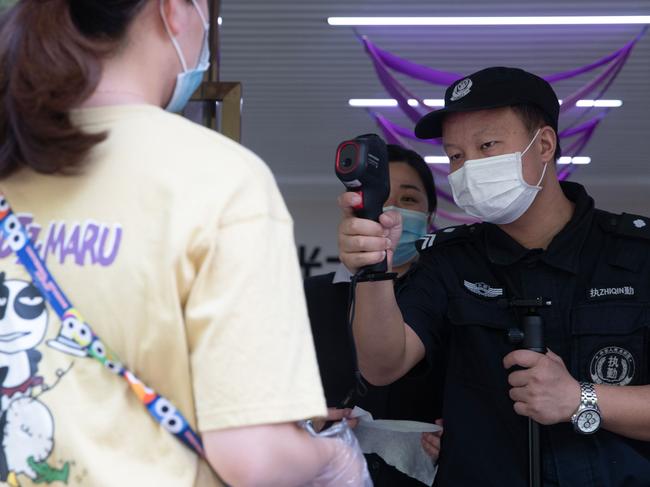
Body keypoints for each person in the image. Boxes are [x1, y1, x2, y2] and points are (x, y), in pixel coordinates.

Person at [0, 1, 369, 486]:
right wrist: (335, 461)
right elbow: (254, 459)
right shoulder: (218, 179)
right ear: (173, 9)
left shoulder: (14, 157)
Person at [337, 66, 650, 486]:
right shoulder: (449, 260)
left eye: (487, 146)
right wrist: (372, 270)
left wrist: (580, 398)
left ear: (543, 145)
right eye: (455, 156)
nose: (468, 168)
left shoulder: (636, 254)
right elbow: (382, 365)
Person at [305, 144, 443, 486]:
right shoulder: (314, 296)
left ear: (430, 216)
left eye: (409, 199)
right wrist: (307, 424)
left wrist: (463, 440)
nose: (392, 212)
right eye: (380, 199)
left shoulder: (452, 297)